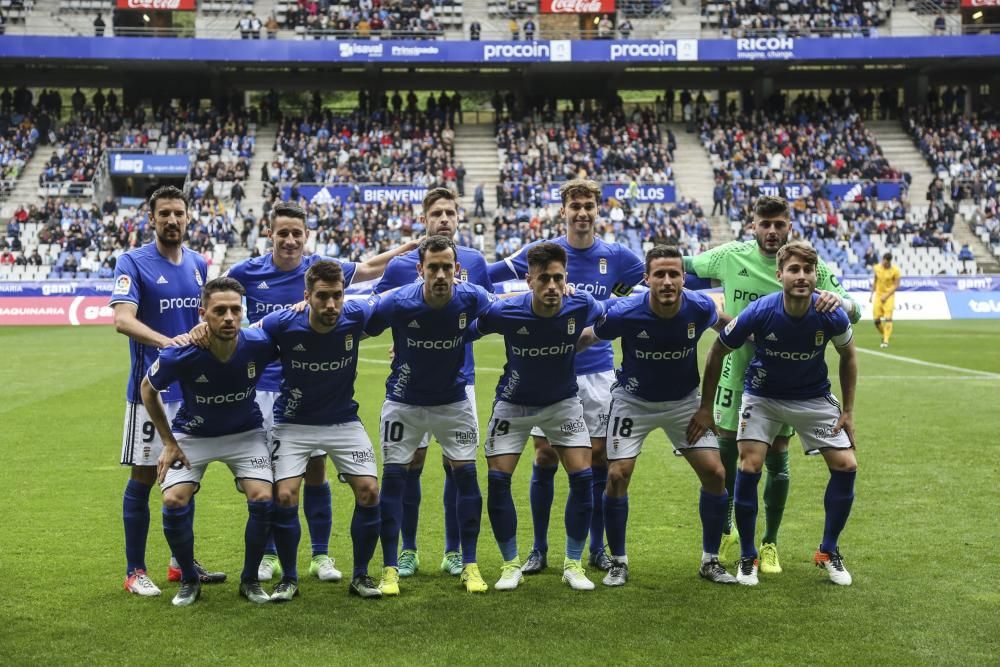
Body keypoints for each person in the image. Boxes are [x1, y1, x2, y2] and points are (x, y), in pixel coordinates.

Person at [226, 201, 416, 584]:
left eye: (297, 233)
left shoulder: (321, 270)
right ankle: (268, 556)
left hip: (315, 389)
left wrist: (405, 250)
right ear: (270, 233)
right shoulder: (245, 271)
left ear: (306, 235)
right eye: (283, 233)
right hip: (265, 388)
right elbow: (219, 301)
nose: (291, 240)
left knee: (317, 469)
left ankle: (320, 555)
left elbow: (365, 270)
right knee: (271, 482)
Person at [683, 195, 861, 574]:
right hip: (739, 375)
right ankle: (731, 530)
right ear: (753, 226)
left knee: (778, 458)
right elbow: (680, 268)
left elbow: (854, 312)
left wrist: (837, 301)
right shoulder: (729, 256)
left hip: (791, 381)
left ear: (789, 227)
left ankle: (769, 544)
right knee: (730, 455)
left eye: (779, 224)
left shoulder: (812, 266)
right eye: (765, 224)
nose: (772, 231)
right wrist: (710, 313)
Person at [488, 179, 644, 575]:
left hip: (596, 373)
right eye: (575, 205)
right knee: (544, 456)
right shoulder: (544, 254)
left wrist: (594, 312)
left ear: (598, 209)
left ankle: (594, 548)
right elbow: (486, 274)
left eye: (589, 205)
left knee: (596, 460)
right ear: (563, 211)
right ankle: (539, 549)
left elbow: (635, 295)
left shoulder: (617, 257)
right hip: (550, 373)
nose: (582, 212)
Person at [575, 245, 737, 587]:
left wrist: (758, 329)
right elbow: (589, 337)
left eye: (674, 274)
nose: (667, 281)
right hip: (633, 401)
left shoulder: (699, 306)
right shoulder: (625, 311)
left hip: (684, 403)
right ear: (646, 279)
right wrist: (552, 354)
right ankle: (618, 561)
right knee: (617, 474)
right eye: (659, 275)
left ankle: (710, 560)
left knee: (715, 472)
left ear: (683, 279)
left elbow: (728, 326)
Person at [372, 188, 493, 580]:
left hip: (461, 378)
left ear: (459, 217)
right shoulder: (401, 266)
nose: (444, 218)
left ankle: (454, 552)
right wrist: (406, 337)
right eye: (436, 212)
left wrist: (458, 337)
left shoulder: (475, 261)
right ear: (424, 218)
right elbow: (378, 309)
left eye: (450, 212)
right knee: (412, 465)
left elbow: (484, 316)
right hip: (411, 384)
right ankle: (407, 551)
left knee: (456, 465)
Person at [110, 185, 225, 597]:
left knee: (186, 479)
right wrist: (168, 343)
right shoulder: (133, 261)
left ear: (189, 217)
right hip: (149, 391)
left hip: (190, 393)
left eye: (179, 213)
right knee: (143, 477)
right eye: (165, 214)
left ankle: (180, 563)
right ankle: (134, 570)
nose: (173, 220)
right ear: (151, 218)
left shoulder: (198, 264)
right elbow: (123, 320)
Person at [471, 242, 604, 591]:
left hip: (562, 402)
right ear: (529, 280)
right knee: (498, 480)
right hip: (513, 404)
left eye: (558, 278)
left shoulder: (582, 304)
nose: (552, 286)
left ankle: (574, 565)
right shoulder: (507, 311)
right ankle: (510, 564)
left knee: (583, 477)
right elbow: (465, 329)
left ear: (566, 279)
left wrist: (580, 341)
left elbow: (607, 322)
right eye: (544, 278)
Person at [141, 277, 278, 606]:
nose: (229, 317)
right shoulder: (181, 353)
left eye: (235, 310)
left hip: (245, 433)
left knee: (263, 499)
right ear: (203, 313)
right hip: (193, 435)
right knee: (173, 500)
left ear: (243, 312)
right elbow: (148, 388)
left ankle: (249, 581)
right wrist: (168, 441)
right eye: (220, 311)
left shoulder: (259, 342)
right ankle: (189, 579)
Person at [258, 260, 383, 599]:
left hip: (343, 420)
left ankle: (360, 575)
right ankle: (290, 579)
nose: (331, 305)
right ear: (307, 296)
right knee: (284, 496)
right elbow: (244, 341)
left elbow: (397, 304)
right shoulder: (282, 323)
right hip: (293, 423)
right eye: (323, 297)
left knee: (370, 491)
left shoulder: (356, 314)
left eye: (337, 296)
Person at [871, 252, 900, 349]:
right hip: (878, 296)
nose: (883, 263)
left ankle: (886, 341)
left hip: (889, 296)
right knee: (876, 320)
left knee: (888, 318)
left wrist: (886, 295)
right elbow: (875, 281)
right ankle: (885, 335)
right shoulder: (877, 268)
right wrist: (871, 294)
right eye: (883, 261)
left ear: (889, 262)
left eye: (885, 262)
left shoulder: (895, 270)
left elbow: (896, 285)